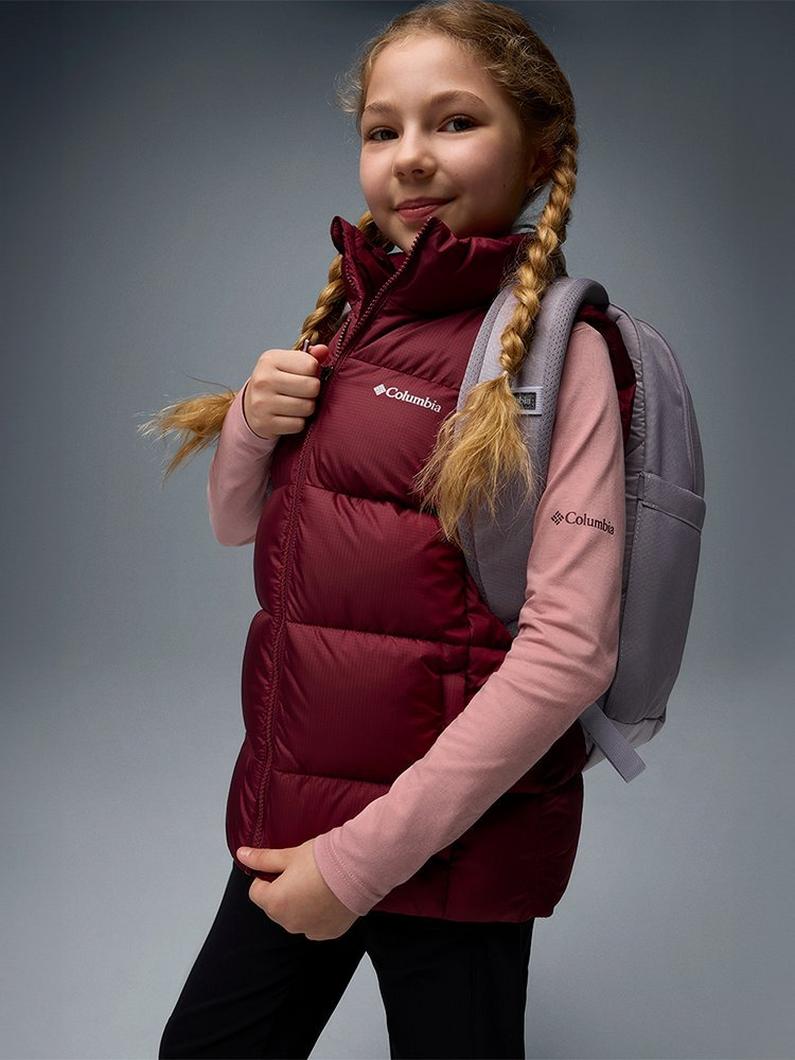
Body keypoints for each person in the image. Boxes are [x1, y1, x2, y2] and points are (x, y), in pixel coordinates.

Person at [144, 1, 628, 1056]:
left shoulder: (564, 357)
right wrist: (245, 425)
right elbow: (244, 531)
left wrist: (358, 864)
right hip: (298, 819)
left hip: (455, 851)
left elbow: (571, 651)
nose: (411, 157)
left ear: (538, 151)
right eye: (381, 128)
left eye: (454, 122)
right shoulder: (356, 322)